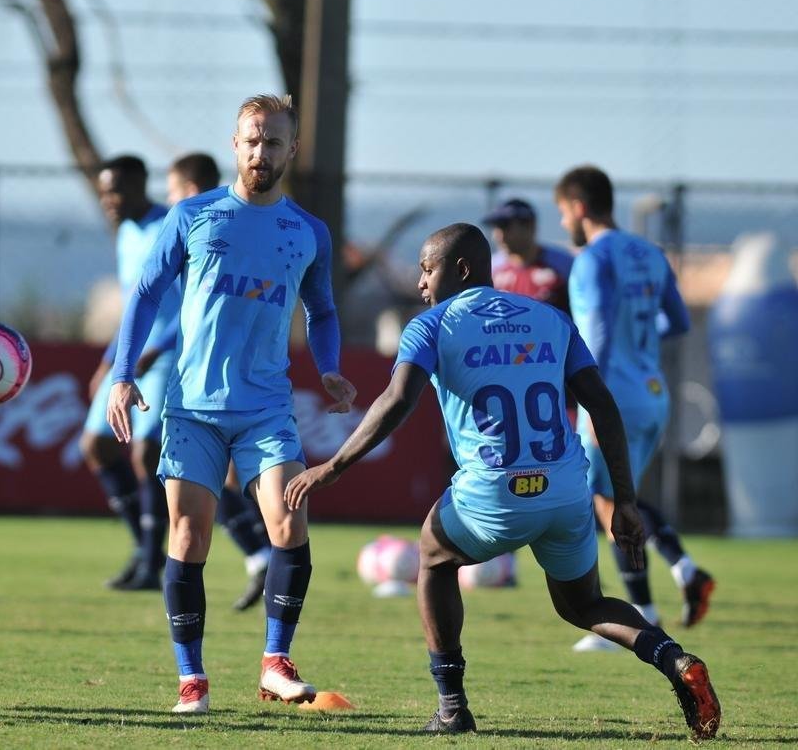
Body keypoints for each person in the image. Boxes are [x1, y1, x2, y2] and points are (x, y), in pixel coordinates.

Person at [284, 223, 720, 740]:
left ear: (461, 269)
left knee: (433, 557)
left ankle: (451, 707)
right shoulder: (551, 318)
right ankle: (674, 660)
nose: (421, 283)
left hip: (495, 493)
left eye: (427, 268)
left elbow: (396, 402)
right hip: (565, 489)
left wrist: (331, 466)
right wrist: (624, 500)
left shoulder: (432, 325)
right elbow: (601, 404)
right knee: (584, 605)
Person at [107, 94, 357, 714]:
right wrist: (122, 372)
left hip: (266, 409)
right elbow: (144, 292)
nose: (260, 152)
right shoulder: (193, 215)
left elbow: (322, 310)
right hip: (193, 405)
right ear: (235, 143)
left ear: (291, 148)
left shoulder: (308, 233)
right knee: (189, 536)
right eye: (251, 140)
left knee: (288, 521)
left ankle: (275, 662)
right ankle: (192, 681)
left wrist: (329, 370)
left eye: (273, 142)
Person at [557, 165, 715, 651]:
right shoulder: (650, 253)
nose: (563, 223)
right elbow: (678, 320)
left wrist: (587, 396)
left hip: (613, 396)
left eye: (562, 212)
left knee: (605, 503)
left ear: (579, 207)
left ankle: (639, 613)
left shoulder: (592, 260)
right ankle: (679, 572)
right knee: (612, 499)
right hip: (652, 392)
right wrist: (638, 344)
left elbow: (599, 334)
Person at [167, 152, 272, 611]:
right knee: (222, 479)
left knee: (203, 478)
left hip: (195, 377)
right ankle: (259, 555)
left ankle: (260, 554)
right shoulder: (185, 223)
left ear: (188, 190)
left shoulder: (198, 224)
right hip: (191, 378)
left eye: (171, 189)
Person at [79, 155, 173, 591]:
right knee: (95, 444)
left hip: (165, 357)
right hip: (129, 359)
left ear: (138, 186)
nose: (107, 201)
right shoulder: (126, 235)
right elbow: (133, 306)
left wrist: (161, 345)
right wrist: (109, 362)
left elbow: (189, 300)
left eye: (113, 191)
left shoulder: (170, 226)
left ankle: (153, 561)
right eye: (102, 193)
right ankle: (145, 549)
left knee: (146, 452)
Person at [481, 197, 573, 312]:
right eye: (496, 228)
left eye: (506, 227)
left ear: (530, 226)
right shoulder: (491, 268)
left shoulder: (565, 264)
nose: (499, 236)